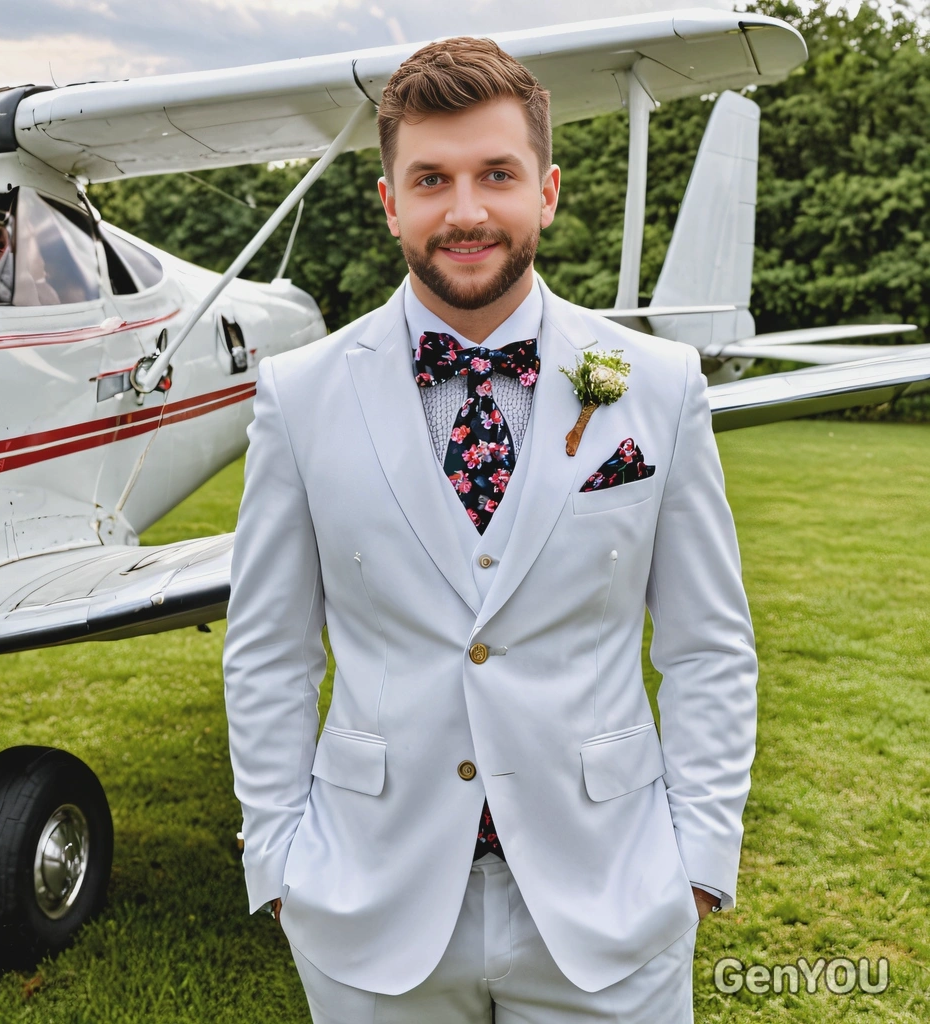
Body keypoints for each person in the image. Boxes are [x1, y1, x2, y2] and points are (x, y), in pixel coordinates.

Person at [224, 36, 757, 1024]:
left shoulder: (660, 385)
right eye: (430, 178)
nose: (465, 211)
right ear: (389, 203)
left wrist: (696, 859)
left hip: (613, 895)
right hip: (368, 902)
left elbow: (707, 644)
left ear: (546, 191)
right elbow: (267, 653)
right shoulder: (299, 398)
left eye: (495, 175)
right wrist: (281, 862)